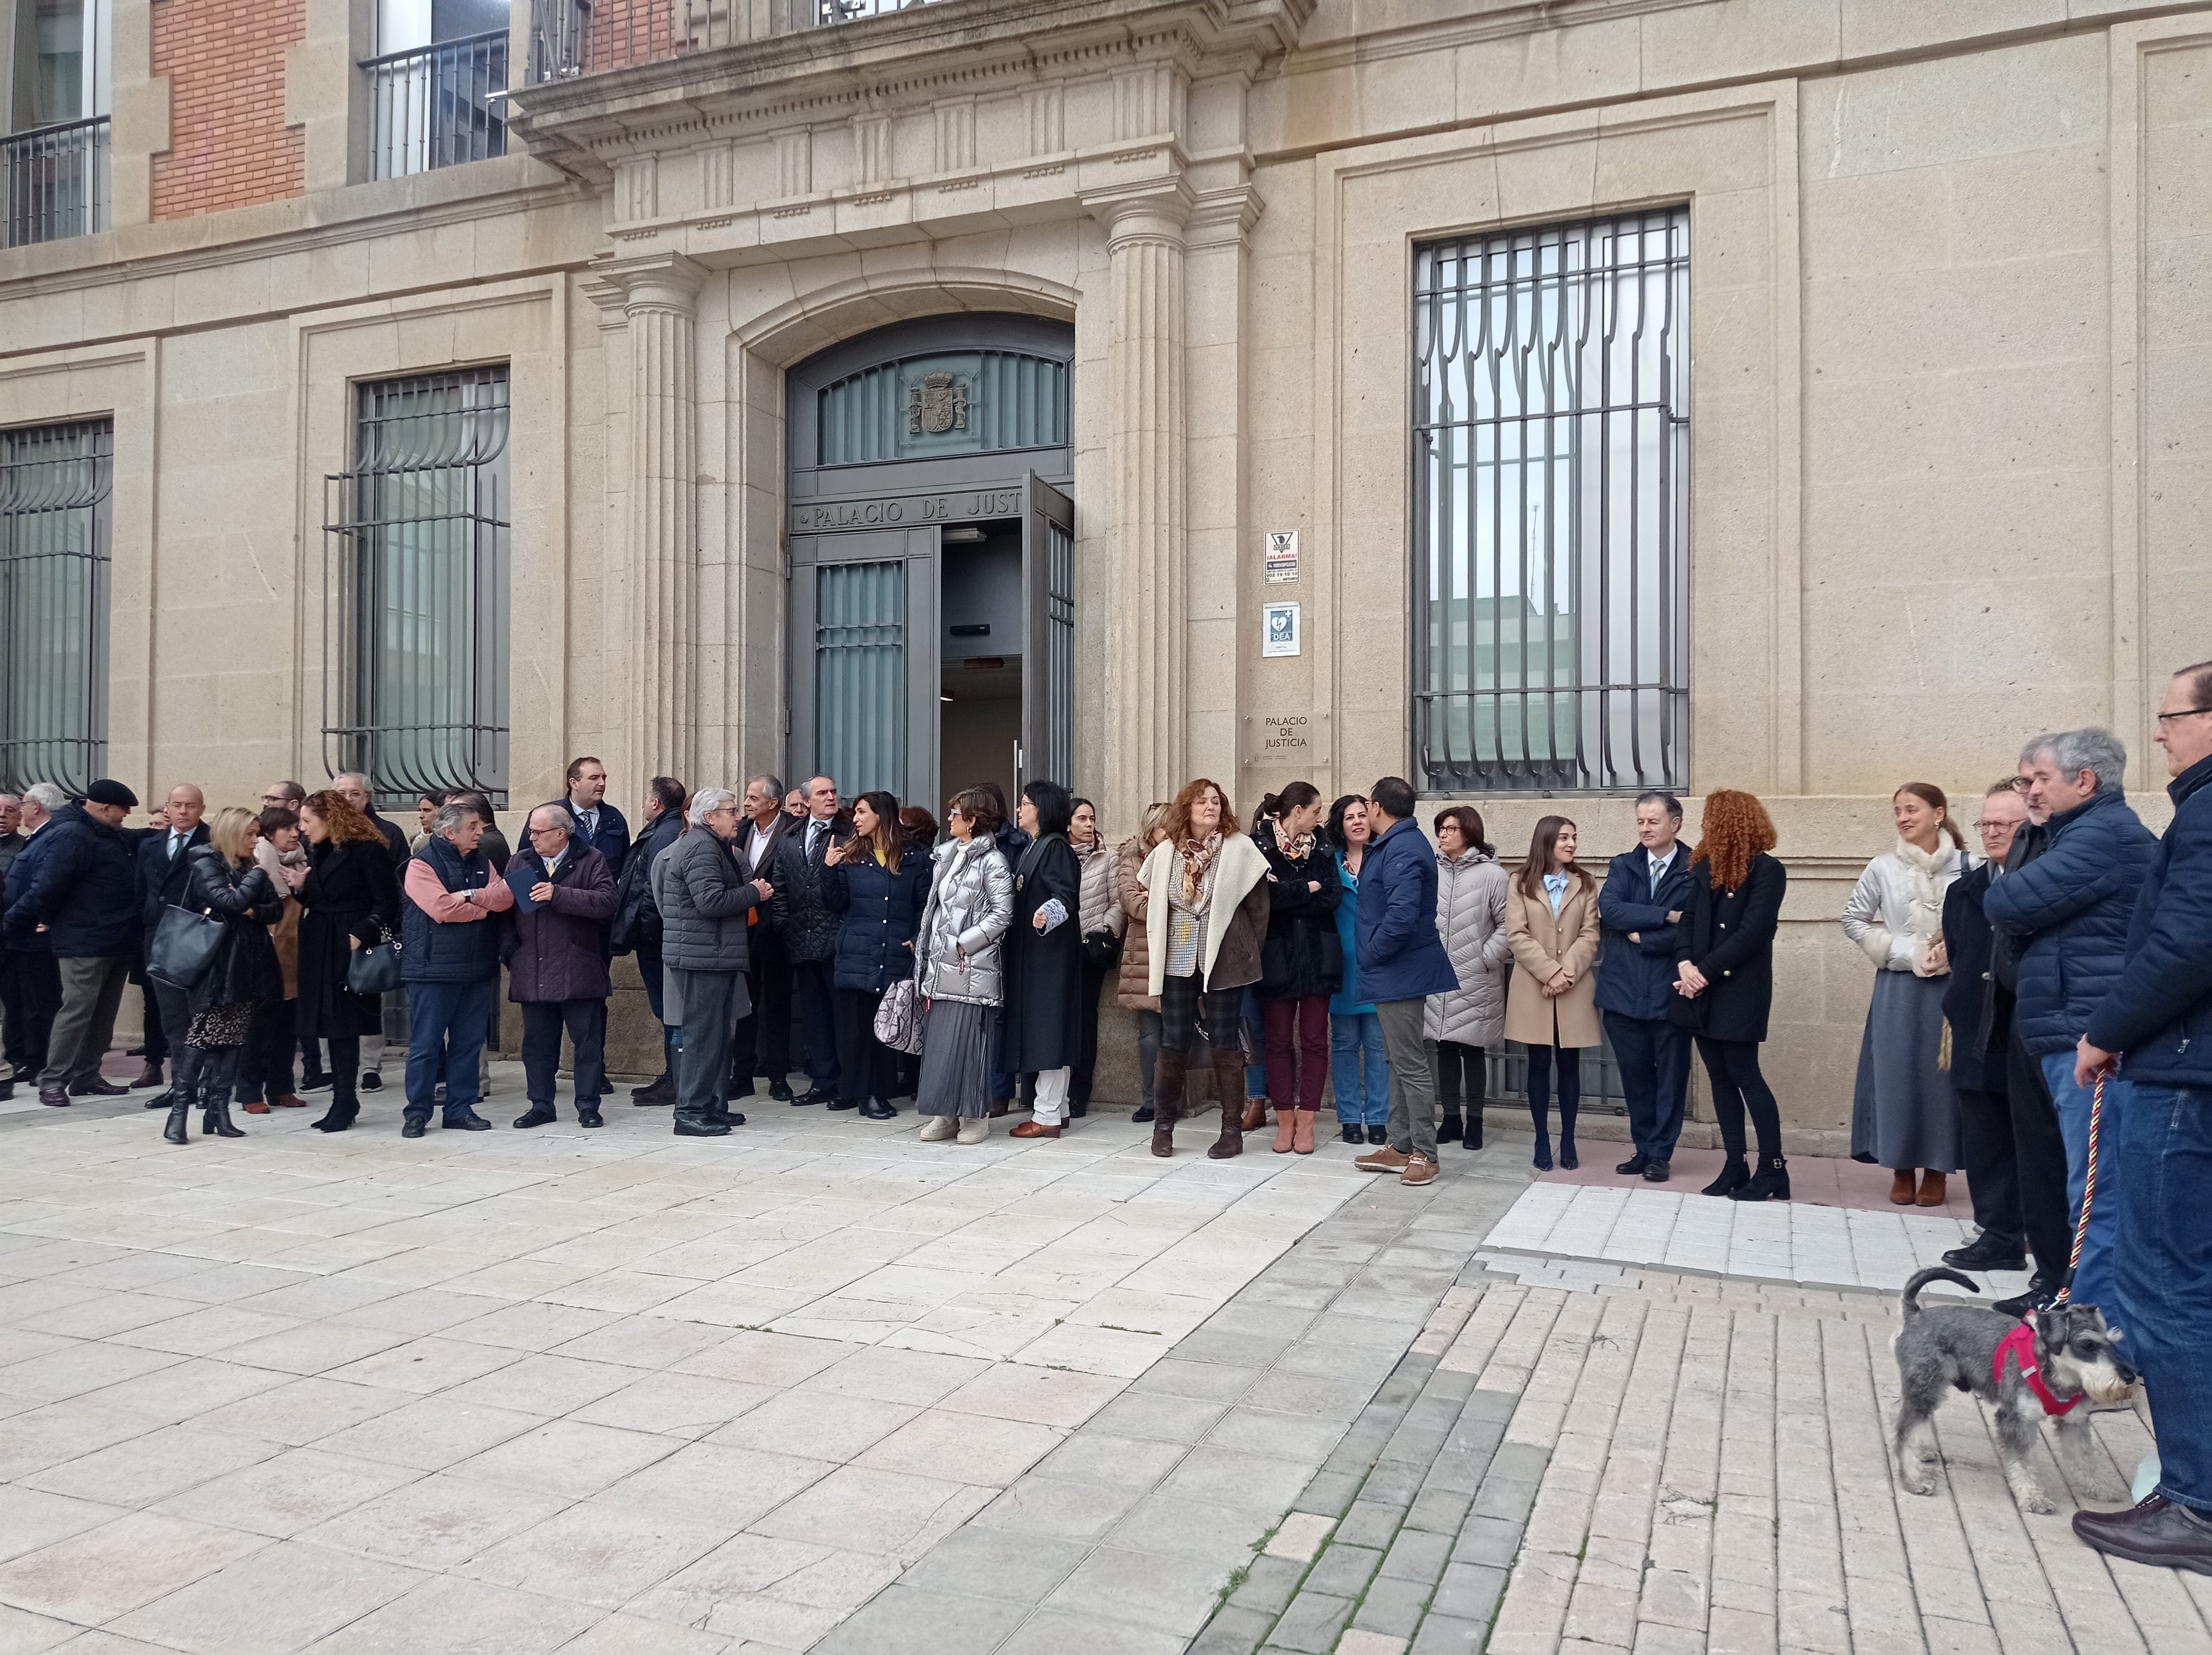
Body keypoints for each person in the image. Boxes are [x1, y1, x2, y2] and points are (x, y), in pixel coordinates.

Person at [2070, 660, 2212, 1571]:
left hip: (2183, 1079)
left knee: (2168, 1288)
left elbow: (2187, 940)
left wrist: (2108, 1030)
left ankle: (2194, 1502)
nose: (2159, 734)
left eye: (2169, 716)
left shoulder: (2203, 814)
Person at [1981, 730, 2155, 1318]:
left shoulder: (2102, 836)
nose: (2028, 792)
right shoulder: (2071, 835)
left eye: (2039, 780)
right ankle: (2074, 1305)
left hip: (2088, 1037)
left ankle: (2093, 1328)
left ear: (2085, 781)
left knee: (2095, 1192)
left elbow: (2006, 904)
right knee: (2076, 1183)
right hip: (2064, 1030)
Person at [1843, 783, 1972, 1205]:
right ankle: (1901, 1166)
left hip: (1952, 990)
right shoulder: (1882, 867)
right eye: (1897, 810)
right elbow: (1854, 920)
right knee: (1896, 1074)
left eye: (1911, 809)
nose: (1902, 817)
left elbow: (1988, 921)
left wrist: (1956, 951)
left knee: (1943, 1079)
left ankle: (1937, 1169)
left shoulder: (1970, 867)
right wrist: (1903, 951)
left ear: (1938, 813)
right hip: (1898, 987)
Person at [1137, 778, 1272, 1159]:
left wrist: (1246, 951)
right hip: (1178, 953)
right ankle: (1163, 1129)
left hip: (1227, 956)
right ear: (1187, 809)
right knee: (1173, 1039)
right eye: (1201, 802)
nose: (1210, 807)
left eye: (1215, 801)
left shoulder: (1240, 848)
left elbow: (1259, 910)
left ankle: (1232, 1131)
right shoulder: (1166, 853)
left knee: (1225, 1041)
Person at [1668, 791, 1790, 1200]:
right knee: (1719, 1079)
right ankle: (1735, 1165)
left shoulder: (1768, 872)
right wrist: (1685, 963)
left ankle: (1773, 1168)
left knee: (1746, 1076)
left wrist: (1702, 972)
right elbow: (1689, 921)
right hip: (1700, 990)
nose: (1704, 825)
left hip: (1739, 991)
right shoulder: (1704, 867)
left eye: (1711, 818)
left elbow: (1753, 933)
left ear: (1731, 822)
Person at [1936, 783, 2032, 1272]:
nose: (1993, 833)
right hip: (1975, 1031)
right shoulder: (1963, 891)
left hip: (2022, 1031)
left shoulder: (2039, 884)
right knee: (1986, 1139)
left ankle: (2044, 1235)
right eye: (1986, 824)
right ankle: (1998, 1236)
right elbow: (1959, 953)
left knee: (2032, 1141)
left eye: (2005, 824)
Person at [1349, 778, 1460, 1185]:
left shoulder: (1403, 847)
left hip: (1398, 968)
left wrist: (1372, 953)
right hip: (1393, 969)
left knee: (1410, 1062)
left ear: (1377, 807)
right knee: (1399, 1059)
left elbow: (1401, 914)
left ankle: (1425, 1154)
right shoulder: (1397, 844)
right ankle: (1398, 1146)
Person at [8, 779, 140, 1108]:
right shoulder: (74, 835)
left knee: (103, 1015)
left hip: (115, 938)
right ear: (106, 808)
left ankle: (88, 1075)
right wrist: (15, 922)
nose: (126, 815)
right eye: (123, 810)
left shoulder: (107, 833)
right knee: (77, 1012)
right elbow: (50, 885)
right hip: (84, 941)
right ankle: (53, 1081)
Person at [160, 808, 283, 1144]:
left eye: (257, 834)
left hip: (249, 964)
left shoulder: (246, 868)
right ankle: (180, 1112)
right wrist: (259, 877)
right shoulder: (206, 864)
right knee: (202, 1038)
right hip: (217, 966)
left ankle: (218, 1110)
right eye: (250, 834)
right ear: (232, 834)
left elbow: (276, 909)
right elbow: (230, 902)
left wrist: (252, 909)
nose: (256, 840)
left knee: (233, 1038)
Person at [653, 788, 771, 1137]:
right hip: (702, 957)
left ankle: (706, 1107)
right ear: (709, 817)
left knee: (715, 1037)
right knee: (702, 1038)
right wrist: (755, 892)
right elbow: (711, 902)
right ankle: (689, 1113)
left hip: (711, 954)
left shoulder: (708, 845)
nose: (739, 817)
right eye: (731, 811)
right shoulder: (702, 847)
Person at [1595, 790, 1698, 1182]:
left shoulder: (1695, 868)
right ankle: (1642, 1148)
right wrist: (1667, 915)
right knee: (1635, 1077)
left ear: (1675, 823)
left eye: (1653, 821)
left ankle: (1660, 1153)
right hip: (1622, 992)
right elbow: (1612, 910)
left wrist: (1647, 936)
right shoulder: (1623, 865)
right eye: (1640, 821)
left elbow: (1695, 926)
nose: (1645, 828)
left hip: (1670, 992)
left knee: (1670, 1078)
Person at [498, 804, 618, 1128]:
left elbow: (607, 902)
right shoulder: (520, 861)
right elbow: (507, 915)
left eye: (539, 832)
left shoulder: (591, 858)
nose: (532, 837)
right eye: (531, 831)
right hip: (532, 967)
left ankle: (588, 1107)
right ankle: (540, 1105)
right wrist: (513, 953)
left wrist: (558, 894)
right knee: (537, 1045)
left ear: (561, 833)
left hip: (579, 967)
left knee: (588, 1043)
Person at [398, 798, 513, 1137]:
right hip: (432, 970)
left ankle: (460, 1109)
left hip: (476, 966)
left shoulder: (482, 859)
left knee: (469, 1042)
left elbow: (504, 898)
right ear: (451, 832)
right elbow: (442, 909)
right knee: (426, 1044)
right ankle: (417, 1113)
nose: (481, 832)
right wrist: (482, 902)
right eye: (473, 827)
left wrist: (468, 897)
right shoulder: (420, 865)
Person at [288, 790, 401, 1133]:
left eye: (308, 821)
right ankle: (343, 1099)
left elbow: (388, 903)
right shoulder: (319, 850)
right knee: (325, 1021)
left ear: (330, 818)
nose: (302, 829)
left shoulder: (368, 850)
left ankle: (345, 1100)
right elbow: (323, 897)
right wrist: (300, 889)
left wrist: (361, 933)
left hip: (348, 945)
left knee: (344, 1024)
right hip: (319, 941)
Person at [914, 788, 1015, 1144]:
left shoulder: (994, 861)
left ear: (972, 821)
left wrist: (963, 943)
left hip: (971, 967)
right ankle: (946, 1114)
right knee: (943, 1042)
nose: (950, 819)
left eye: (956, 813)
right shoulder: (946, 855)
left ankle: (975, 1116)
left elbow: (1003, 914)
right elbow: (937, 910)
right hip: (940, 964)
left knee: (971, 1043)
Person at [822, 790, 929, 1121]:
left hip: (895, 953)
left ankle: (879, 1091)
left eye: (862, 812)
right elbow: (834, 903)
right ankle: (861, 1092)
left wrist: (915, 938)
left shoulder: (912, 858)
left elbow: (922, 906)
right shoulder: (849, 855)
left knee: (887, 1028)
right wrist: (827, 871)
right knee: (856, 1028)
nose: (855, 818)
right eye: (855, 813)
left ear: (881, 815)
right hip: (857, 952)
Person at [1503, 815, 1601, 1172]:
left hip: (1572, 987)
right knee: (1539, 1064)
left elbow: (1590, 934)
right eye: (1564, 838)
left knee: (1570, 1065)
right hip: (1534, 987)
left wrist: (1566, 974)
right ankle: (1542, 1138)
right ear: (1546, 841)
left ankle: (1569, 1139)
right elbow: (1517, 934)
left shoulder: (1586, 883)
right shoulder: (1519, 882)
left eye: (1574, 837)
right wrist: (1550, 972)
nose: (1571, 844)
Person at [1253, 782, 1340, 1155]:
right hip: (1276, 956)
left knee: (1316, 1041)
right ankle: (1284, 1120)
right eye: (1316, 810)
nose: (1320, 818)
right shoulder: (1259, 846)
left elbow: (1334, 896)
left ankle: (1307, 1121)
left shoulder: (1323, 844)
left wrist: (1294, 892)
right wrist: (1310, 888)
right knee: (1277, 1043)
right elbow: (1263, 900)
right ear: (1298, 811)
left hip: (1319, 955)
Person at [1000, 781, 1084, 1139]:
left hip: (1050, 961)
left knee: (1050, 1034)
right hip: (1036, 958)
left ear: (1043, 809)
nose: (1020, 810)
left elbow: (1066, 896)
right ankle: (1059, 1109)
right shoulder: (1035, 847)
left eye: (1025, 804)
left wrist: (1046, 915)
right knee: (1051, 1033)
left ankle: (1047, 1115)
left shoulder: (1055, 849)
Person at [1422, 805, 1509, 1154]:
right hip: (1438, 973)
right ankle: (1451, 1118)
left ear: (1469, 832)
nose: (1443, 834)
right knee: (1444, 1046)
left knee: (1473, 1048)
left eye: (1450, 828)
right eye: (1440, 828)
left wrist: (1485, 956)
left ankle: (1476, 1120)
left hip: (1476, 975)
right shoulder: (1433, 871)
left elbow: (1509, 925)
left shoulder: (1493, 874)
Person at [611, 776, 687, 1106]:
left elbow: (651, 892)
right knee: (668, 1010)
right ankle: (673, 1075)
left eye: (645, 798)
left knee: (670, 1010)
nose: (643, 804)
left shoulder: (663, 834)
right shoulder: (666, 831)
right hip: (658, 937)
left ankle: (676, 1078)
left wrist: (646, 932)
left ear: (656, 803)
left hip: (657, 940)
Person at [133, 783, 210, 1101]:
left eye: (190, 806)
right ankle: (181, 1085)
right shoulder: (151, 844)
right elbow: (140, 891)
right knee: (172, 1017)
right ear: (167, 808)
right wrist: (151, 917)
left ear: (202, 809)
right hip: (160, 937)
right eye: (176, 805)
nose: (182, 811)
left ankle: (206, 1083)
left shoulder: (213, 842)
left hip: (196, 936)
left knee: (201, 1014)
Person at [333, 771, 408, 1094]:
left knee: (367, 993)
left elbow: (401, 882)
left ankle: (369, 1067)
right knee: (331, 995)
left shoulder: (388, 832)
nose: (347, 800)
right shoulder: (322, 831)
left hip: (372, 925)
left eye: (354, 794)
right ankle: (329, 1067)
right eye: (341, 793)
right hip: (332, 927)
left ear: (368, 796)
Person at [775, 775, 848, 1105]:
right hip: (800, 939)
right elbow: (778, 883)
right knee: (815, 1017)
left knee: (842, 1014)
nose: (831, 797)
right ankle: (823, 1081)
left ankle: (848, 1082)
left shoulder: (850, 832)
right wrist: (782, 922)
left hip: (837, 940)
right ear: (807, 802)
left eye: (833, 791)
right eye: (823, 793)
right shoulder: (790, 836)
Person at [1324, 795, 1388, 1146]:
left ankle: (1378, 1118)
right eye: (1350, 817)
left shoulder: (1384, 857)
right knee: (1345, 1043)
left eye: (1363, 815)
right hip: (1342, 964)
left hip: (1379, 962)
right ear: (1341, 824)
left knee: (1378, 1045)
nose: (1358, 822)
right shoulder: (1329, 862)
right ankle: (1349, 1118)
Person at [731, 775, 797, 1104]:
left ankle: (778, 1076)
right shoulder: (740, 831)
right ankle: (741, 1075)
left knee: (778, 1006)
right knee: (744, 1006)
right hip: (742, 931)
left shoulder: (793, 830)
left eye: (753, 798)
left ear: (773, 803)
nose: (746, 803)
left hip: (777, 932)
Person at [239, 806, 307, 1115]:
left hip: (295, 952)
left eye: (298, 828)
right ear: (269, 834)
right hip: (264, 953)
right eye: (288, 829)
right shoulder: (257, 863)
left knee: (288, 1024)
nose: (296, 834)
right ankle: (249, 1090)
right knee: (258, 1027)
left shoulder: (303, 861)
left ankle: (282, 1087)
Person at [1, 785, 67, 1101]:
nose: (5, 815)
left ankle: (39, 1061)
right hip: (14, 937)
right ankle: (21, 1059)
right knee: (16, 1003)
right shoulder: (38, 838)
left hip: (28, 935)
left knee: (40, 1004)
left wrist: (15, 919)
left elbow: (45, 887)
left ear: (35, 808)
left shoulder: (46, 838)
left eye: (17, 807)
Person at [1115, 802, 1173, 1124]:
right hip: (1145, 954)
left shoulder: (1184, 856)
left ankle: (1172, 1098)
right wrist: (1170, 901)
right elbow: (1132, 903)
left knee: (1176, 1031)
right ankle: (1151, 1101)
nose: (1172, 833)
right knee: (1150, 1033)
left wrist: (1159, 897)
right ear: (1152, 829)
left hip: (1179, 950)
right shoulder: (1131, 858)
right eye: (1167, 827)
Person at [1068, 797, 1123, 1118]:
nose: (1089, 825)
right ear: (1068, 824)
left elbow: (1118, 902)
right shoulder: (1056, 854)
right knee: (1061, 1018)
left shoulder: (1108, 857)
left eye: (1092, 819)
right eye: (1082, 819)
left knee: (1087, 1019)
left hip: (1091, 948)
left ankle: (1080, 1092)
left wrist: (1103, 931)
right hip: (1059, 950)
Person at [561, 757, 630, 878]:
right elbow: (525, 863)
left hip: (604, 895)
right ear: (574, 783)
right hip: (562, 895)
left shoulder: (615, 818)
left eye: (604, 778)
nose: (602, 783)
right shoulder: (550, 816)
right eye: (594, 778)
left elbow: (626, 865)